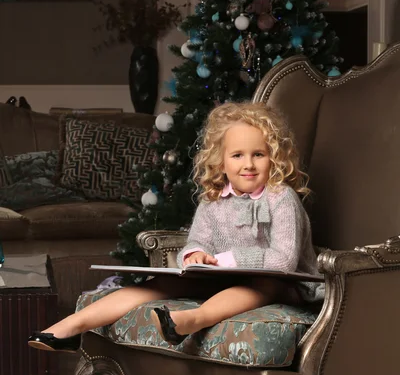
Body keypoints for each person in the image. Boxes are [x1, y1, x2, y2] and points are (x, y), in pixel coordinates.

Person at [28, 101, 323, 353]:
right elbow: (197, 244)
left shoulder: (280, 197)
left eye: (258, 154)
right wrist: (196, 256)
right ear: (221, 162)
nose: (248, 164)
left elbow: (283, 260)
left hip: (285, 285)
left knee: (263, 284)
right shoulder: (213, 201)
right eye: (237, 155)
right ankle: (69, 327)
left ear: (274, 158)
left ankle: (193, 320)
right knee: (162, 283)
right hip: (222, 280)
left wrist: (228, 260)